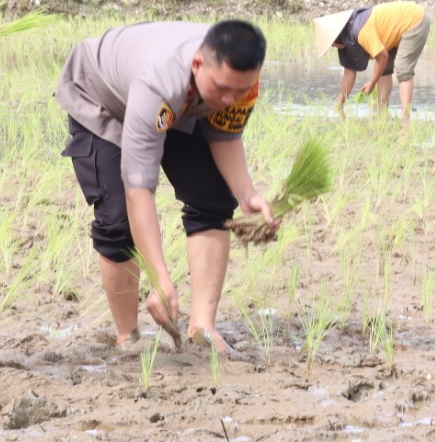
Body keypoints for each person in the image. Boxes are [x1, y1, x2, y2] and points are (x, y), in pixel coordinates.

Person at [55, 20, 277, 354]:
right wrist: (159, 277)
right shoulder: (158, 82)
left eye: (238, 91)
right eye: (222, 89)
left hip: (180, 103)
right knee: (117, 220)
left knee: (213, 199)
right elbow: (138, 189)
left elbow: (224, 134)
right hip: (102, 97)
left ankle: (203, 327)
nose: (230, 98)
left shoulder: (240, 82)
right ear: (199, 64)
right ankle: (127, 337)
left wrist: (248, 194)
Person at [313, 2, 432, 119]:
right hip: (395, 31)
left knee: (403, 68)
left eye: (333, 45)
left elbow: (382, 57)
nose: (333, 47)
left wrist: (371, 83)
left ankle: (405, 116)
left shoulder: (359, 30)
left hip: (414, 20)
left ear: (336, 37)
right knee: (383, 70)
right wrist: (340, 103)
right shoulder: (348, 36)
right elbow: (349, 73)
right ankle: (382, 112)